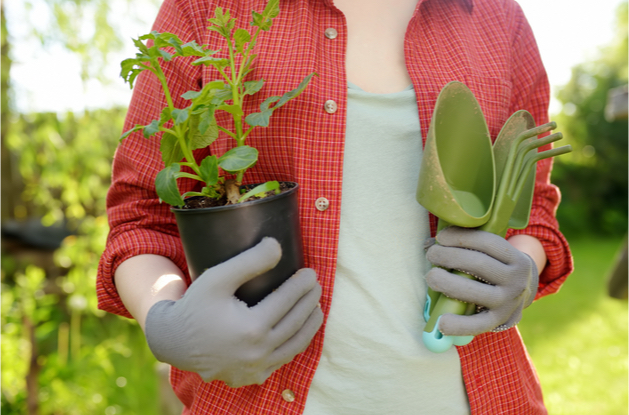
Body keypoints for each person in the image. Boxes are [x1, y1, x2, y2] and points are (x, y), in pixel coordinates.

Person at [97, 0, 573, 413]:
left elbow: (532, 213)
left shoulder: (498, 19)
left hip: (487, 396)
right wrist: (165, 318)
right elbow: (144, 214)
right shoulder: (207, 9)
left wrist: (522, 273)